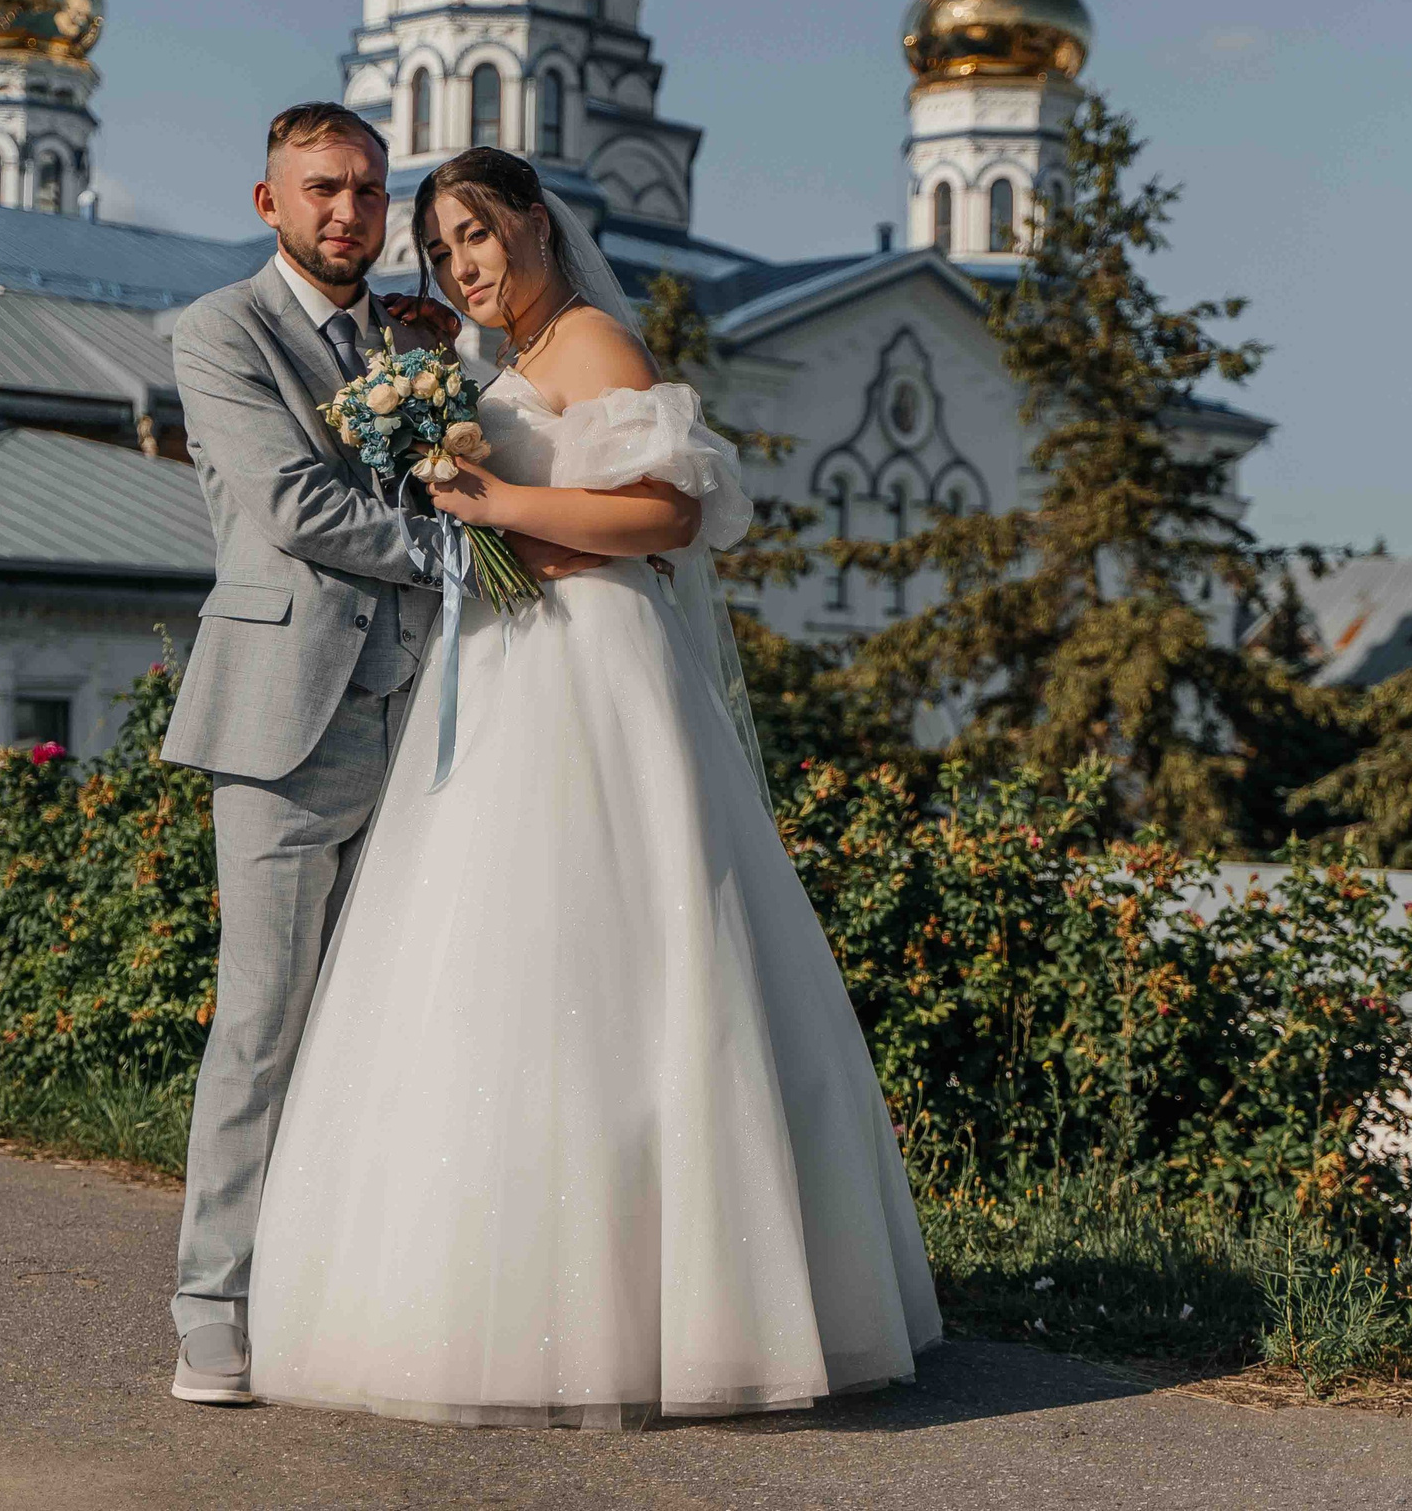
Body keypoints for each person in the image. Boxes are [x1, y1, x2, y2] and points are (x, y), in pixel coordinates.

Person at [242, 146, 942, 1428]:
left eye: (474, 234)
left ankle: (692, 1309)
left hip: (598, 661)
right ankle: (473, 1305)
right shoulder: (491, 369)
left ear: (532, 222)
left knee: (634, 948)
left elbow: (668, 519)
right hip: (505, 663)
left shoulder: (601, 347)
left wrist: (498, 498)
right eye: (440, 248)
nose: (460, 264)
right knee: (492, 962)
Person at [159, 106, 602, 1405]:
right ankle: (214, 1307)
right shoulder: (221, 331)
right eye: (321, 191)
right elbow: (293, 507)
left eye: (364, 191)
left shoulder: (413, 336)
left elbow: (456, 456)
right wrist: (469, 558)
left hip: (425, 719)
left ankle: (339, 1289)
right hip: (284, 724)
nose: (346, 212)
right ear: (268, 200)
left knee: (386, 1027)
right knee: (264, 1021)